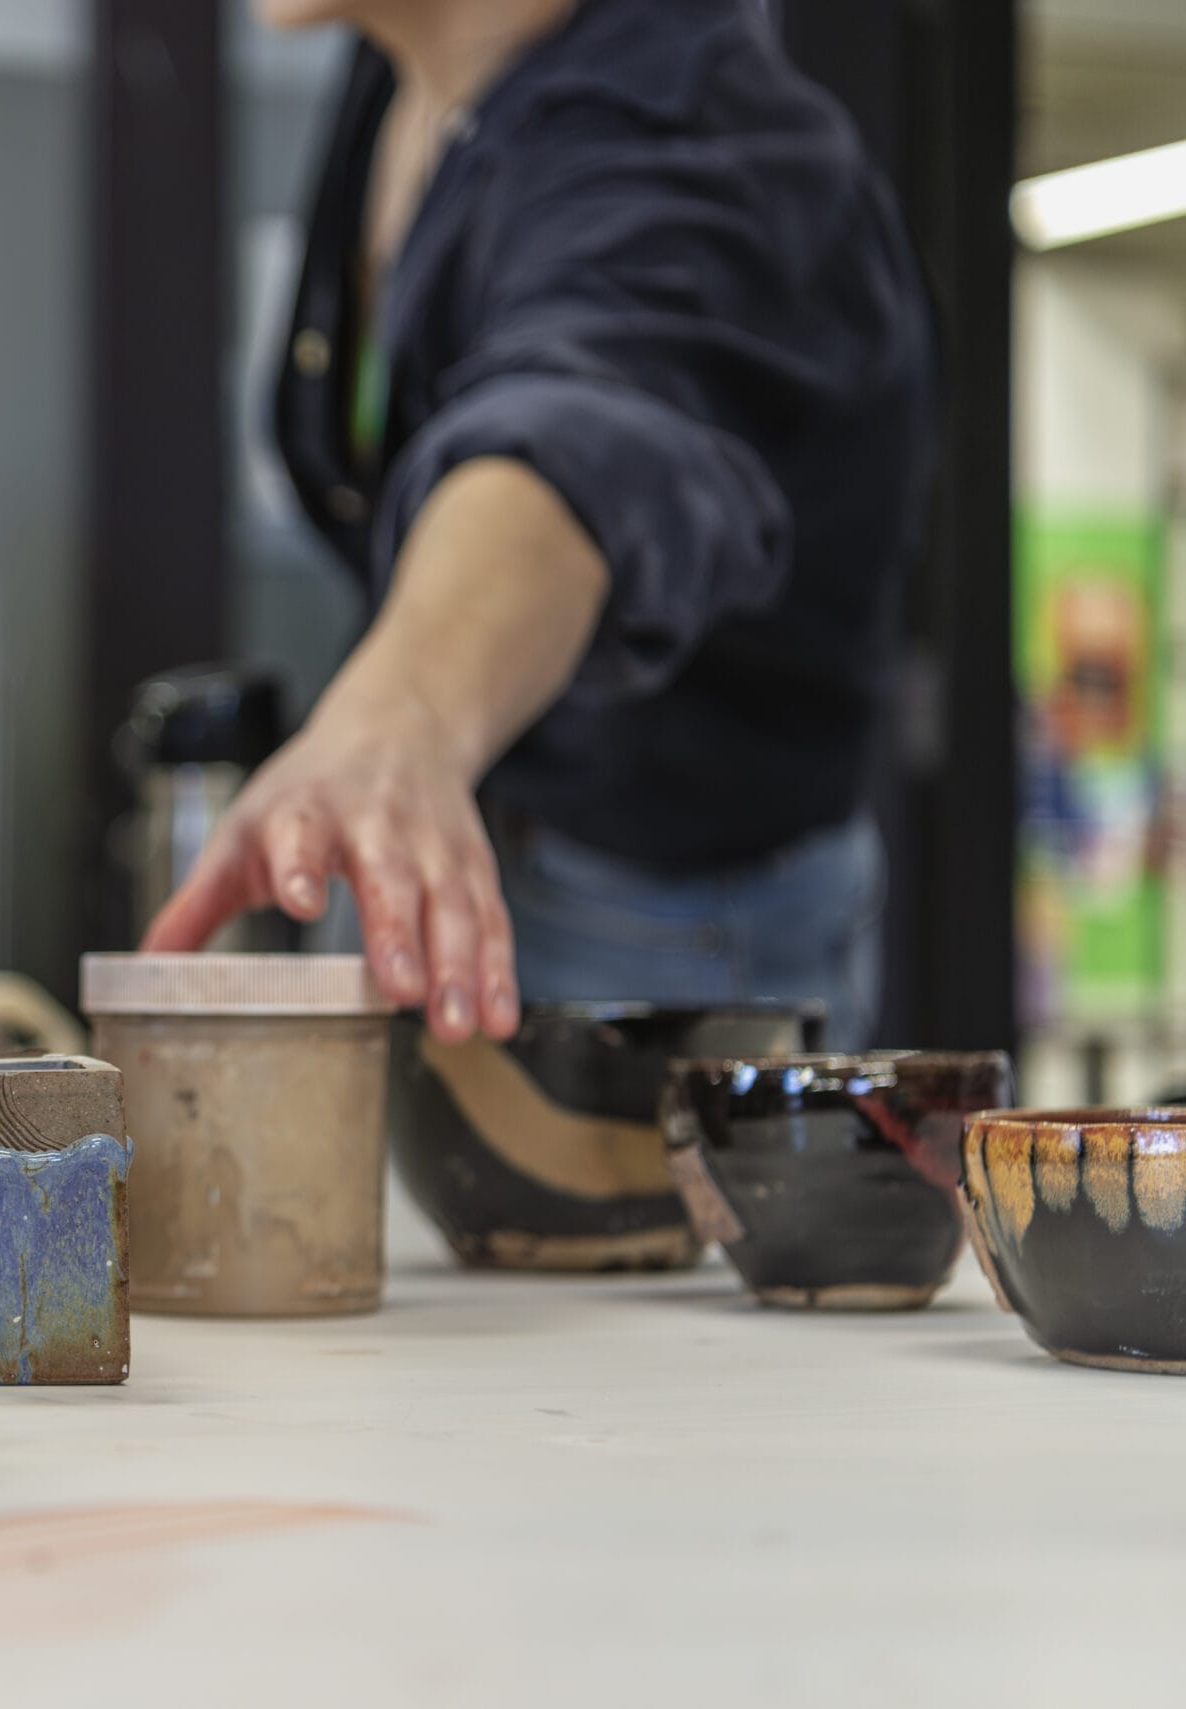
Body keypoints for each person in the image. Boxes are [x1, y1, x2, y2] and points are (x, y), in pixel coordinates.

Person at [143, 0, 935, 1051]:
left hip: (657, 926)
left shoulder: (706, 137)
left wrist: (400, 716)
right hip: (459, 847)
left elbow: (584, 433)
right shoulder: (410, 73)